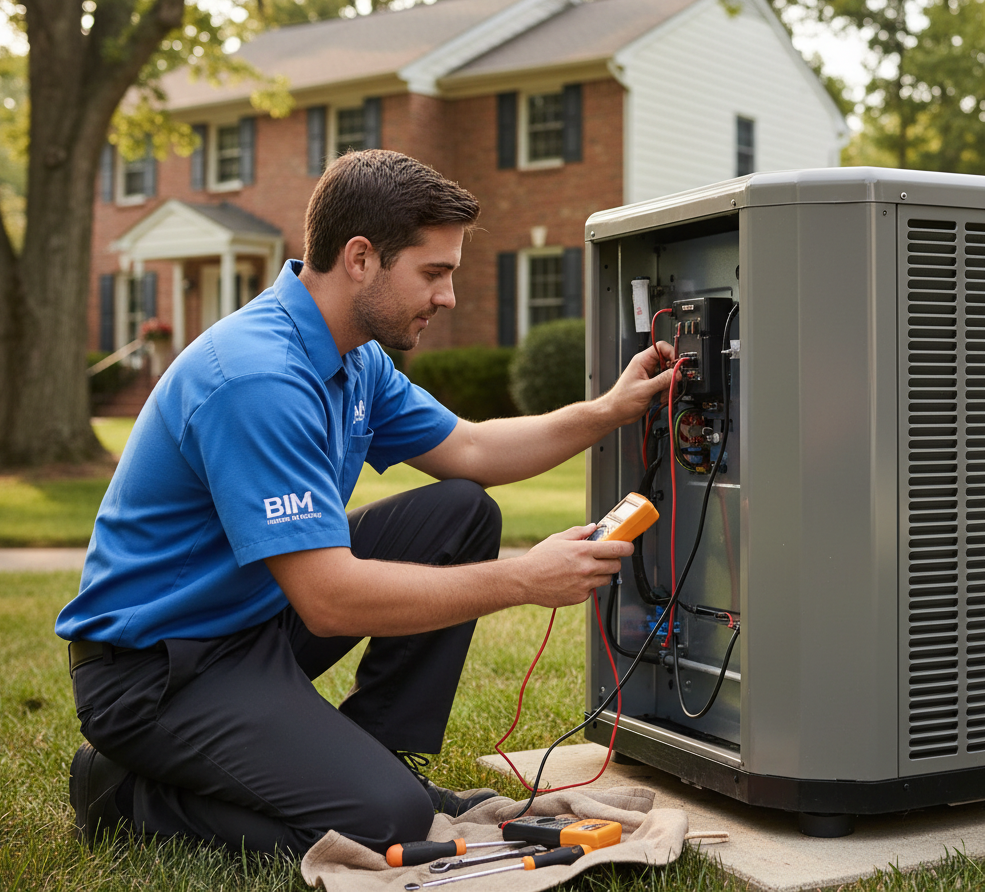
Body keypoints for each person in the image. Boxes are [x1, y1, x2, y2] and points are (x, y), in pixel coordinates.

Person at [57, 149, 673, 857]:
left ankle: (378, 755)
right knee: (390, 828)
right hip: (156, 671)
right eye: (433, 273)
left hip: (252, 623)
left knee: (459, 509)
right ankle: (120, 792)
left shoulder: (356, 357)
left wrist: (608, 410)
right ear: (360, 257)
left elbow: (472, 451)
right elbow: (330, 600)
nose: (445, 296)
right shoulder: (257, 378)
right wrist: (523, 580)